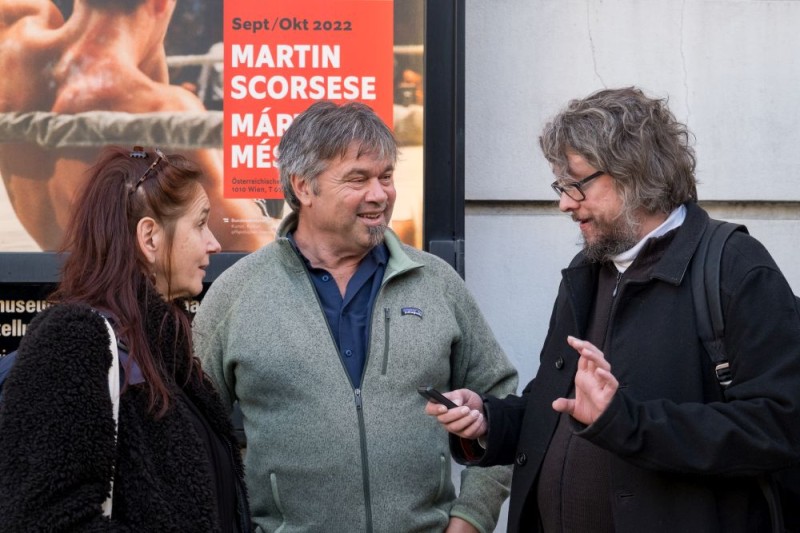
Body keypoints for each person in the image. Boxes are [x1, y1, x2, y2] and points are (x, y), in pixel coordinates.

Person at [426, 87, 800, 532]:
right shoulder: (587, 271)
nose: (565, 202)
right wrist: (488, 419)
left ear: (633, 174)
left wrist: (626, 421)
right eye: (560, 185)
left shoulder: (736, 267)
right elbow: (559, 409)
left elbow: (780, 426)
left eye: (576, 184)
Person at [193, 101, 518, 532]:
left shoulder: (436, 282)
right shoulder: (238, 293)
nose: (379, 194)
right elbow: (191, 436)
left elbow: (502, 401)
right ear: (303, 187)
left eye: (386, 176)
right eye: (358, 179)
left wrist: (472, 518)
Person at [0, 146, 252, 531]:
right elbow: (41, 520)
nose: (214, 244)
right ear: (150, 237)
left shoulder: (164, 352)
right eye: (201, 224)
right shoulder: (74, 342)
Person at [0, 0, 271, 251]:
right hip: (128, 296)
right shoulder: (163, 111)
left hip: (49, 278)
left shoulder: (11, 39)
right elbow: (252, 246)